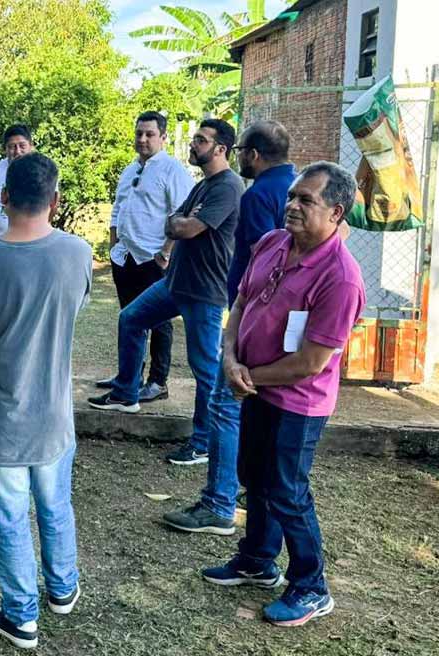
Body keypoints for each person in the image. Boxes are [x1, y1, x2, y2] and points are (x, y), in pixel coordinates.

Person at [202, 162, 364, 627]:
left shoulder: (341, 277)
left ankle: (312, 586)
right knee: (254, 477)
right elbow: (242, 303)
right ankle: (257, 559)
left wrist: (246, 374)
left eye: (305, 200)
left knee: (288, 492)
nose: (292, 205)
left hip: (299, 403)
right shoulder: (273, 243)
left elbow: (311, 362)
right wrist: (231, 359)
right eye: (292, 196)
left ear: (335, 213)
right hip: (254, 386)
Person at [0, 153, 92, 650]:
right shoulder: (77, 253)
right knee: (56, 504)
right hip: (54, 413)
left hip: (0, 417)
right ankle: (62, 588)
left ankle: (20, 615)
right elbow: (74, 307)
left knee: (11, 516)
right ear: (54, 201)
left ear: (4, 197)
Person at [163, 120, 297, 535]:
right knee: (260, 408)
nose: (240, 158)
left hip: (256, 314)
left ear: (252, 155)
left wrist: (243, 323)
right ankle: (251, 487)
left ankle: (218, 503)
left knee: (225, 401)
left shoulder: (257, 195)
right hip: (284, 318)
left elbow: (264, 264)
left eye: (240, 150)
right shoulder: (297, 187)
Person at [88, 120, 243, 469]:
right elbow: (176, 219)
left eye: (201, 140)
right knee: (130, 319)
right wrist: (178, 221)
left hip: (204, 290)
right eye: (195, 138)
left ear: (221, 149)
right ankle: (127, 392)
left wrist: (179, 222)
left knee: (205, 369)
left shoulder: (228, 187)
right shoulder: (204, 185)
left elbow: (183, 225)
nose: (194, 144)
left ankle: (202, 442)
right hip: (175, 282)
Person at [94, 111, 193, 403]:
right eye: (139, 133)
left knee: (159, 322)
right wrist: (114, 246)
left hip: (154, 260)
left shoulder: (172, 170)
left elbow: (182, 214)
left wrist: (165, 253)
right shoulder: (130, 169)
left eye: (149, 134)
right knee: (129, 319)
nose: (142, 139)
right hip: (125, 257)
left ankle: (157, 381)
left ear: (163, 137)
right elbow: (117, 209)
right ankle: (129, 376)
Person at [0, 124, 35, 238]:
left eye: (22, 145)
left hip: (32, 242)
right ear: (5, 149)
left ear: (31, 146)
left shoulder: (43, 170)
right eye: (12, 147)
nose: (17, 151)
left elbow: (51, 206)